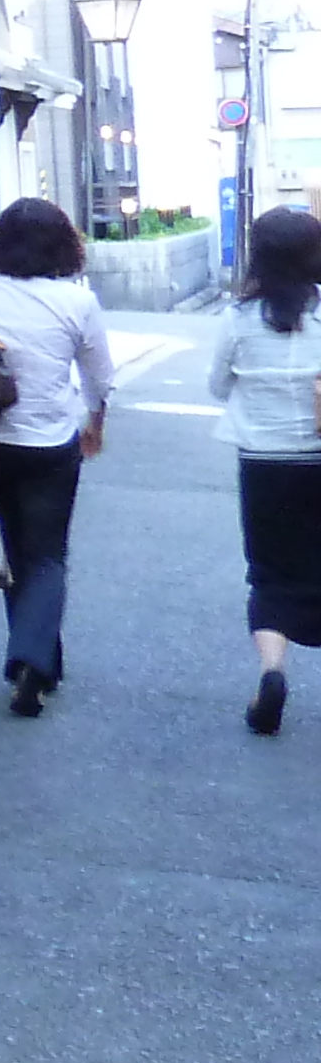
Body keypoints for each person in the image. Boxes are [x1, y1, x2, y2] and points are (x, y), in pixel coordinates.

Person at [0, 195, 115, 717]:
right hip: (52, 442)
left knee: (14, 548)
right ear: (64, 245)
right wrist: (95, 423)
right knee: (46, 554)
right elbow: (101, 377)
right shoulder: (77, 302)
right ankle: (34, 659)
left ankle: (38, 659)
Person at [208, 206, 321, 735]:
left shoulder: (237, 319)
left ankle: (273, 670)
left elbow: (217, 386)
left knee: (271, 570)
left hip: (264, 462)